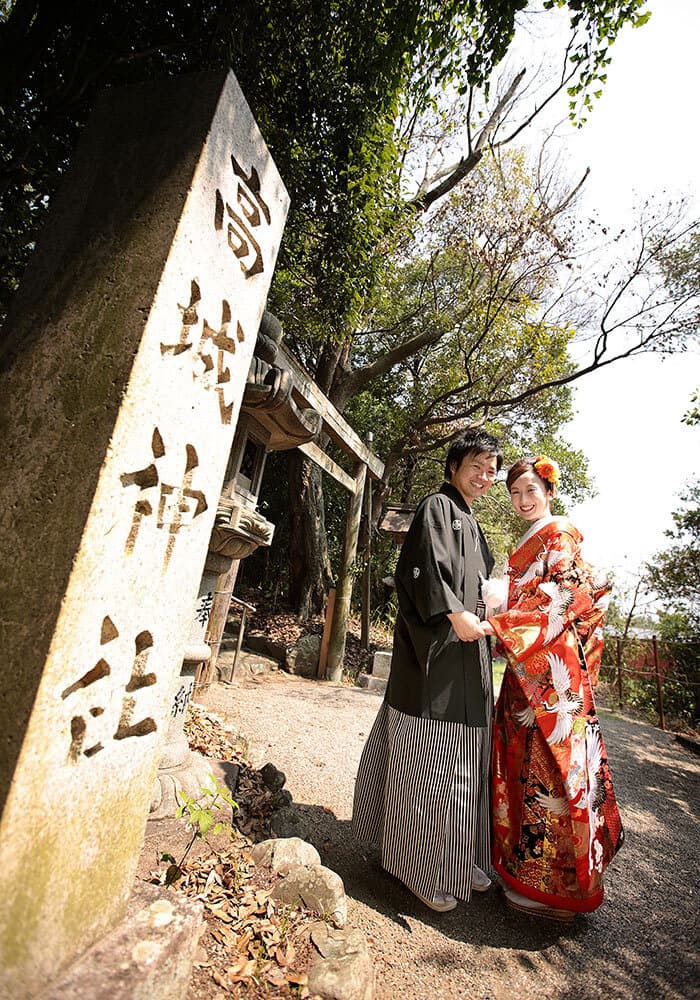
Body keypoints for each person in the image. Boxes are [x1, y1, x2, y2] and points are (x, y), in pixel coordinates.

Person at [352, 427, 502, 912]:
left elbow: (484, 587)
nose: (485, 476)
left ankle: (459, 857)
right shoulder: (436, 507)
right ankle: (416, 865)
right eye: (476, 465)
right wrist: (454, 613)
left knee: (469, 765)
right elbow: (422, 571)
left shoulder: (473, 523)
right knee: (431, 765)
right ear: (454, 466)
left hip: (471, 656)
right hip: (436, 655)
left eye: (491, 470)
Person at [481, 456, 624, 922]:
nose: (523, 500)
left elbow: (567, 597)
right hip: (527, 671)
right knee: (520, 768)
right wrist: (505, 607)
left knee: (547, 774)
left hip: (548, 678)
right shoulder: (532, 539)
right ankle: (521, 872)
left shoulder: (558, 535)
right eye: (515, 493)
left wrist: (503, 618)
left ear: (549, 491)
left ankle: (553, 885)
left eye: (531, 491)